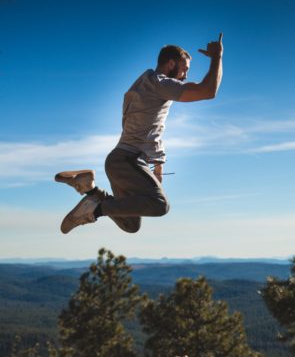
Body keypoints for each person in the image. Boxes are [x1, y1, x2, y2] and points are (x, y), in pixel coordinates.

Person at [55, 33, 223, 234]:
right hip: (127, 160)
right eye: (184, 69)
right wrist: (217, 57)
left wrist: (158, 165)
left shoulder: (145, 82)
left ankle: (90, 189)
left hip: (121, 161)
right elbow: (208, 91)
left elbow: (151, 128)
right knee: (159, 205)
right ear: (170, 64)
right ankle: (92, 210)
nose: (185, 76)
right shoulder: (159, 83)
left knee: (130, 224)